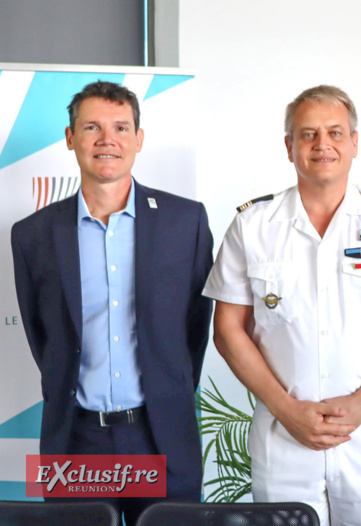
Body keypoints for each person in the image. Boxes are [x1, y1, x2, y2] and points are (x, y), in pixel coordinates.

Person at [203, 85, 361, 526]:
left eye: (334, 132)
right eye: (308, 134)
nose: (322, 144)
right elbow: (228, 330)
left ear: (354, 143)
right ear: (289, 146)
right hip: (283, 434)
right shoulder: (253, 226)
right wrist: (287, 409)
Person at [10, 81, 213, 524]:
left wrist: (168, 389)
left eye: (121, 127)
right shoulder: (32, 234)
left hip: (159, 435)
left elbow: (196, 328)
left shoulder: (187, 221)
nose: (108, 139)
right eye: (92, 127)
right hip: (77, 439)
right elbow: (40, 333)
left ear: (139, 139)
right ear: (69, 138)